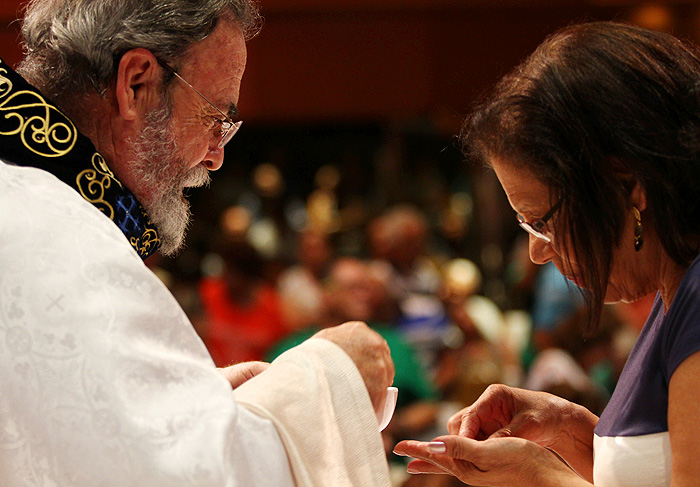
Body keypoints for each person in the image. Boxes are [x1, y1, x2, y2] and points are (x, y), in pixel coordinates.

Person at [0, 1, 394, 486]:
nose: (216, 157)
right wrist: (332, 379)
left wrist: (187, 402)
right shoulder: (55, 236)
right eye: (216, 118)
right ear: (137, 83)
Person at [394, 21, 700, 487]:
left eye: (543, 221)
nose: (537, 252)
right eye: (526, 225)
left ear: (630, 188)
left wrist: (540, 476)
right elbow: (655, 470)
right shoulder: (673, 292)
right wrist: (566, 428)